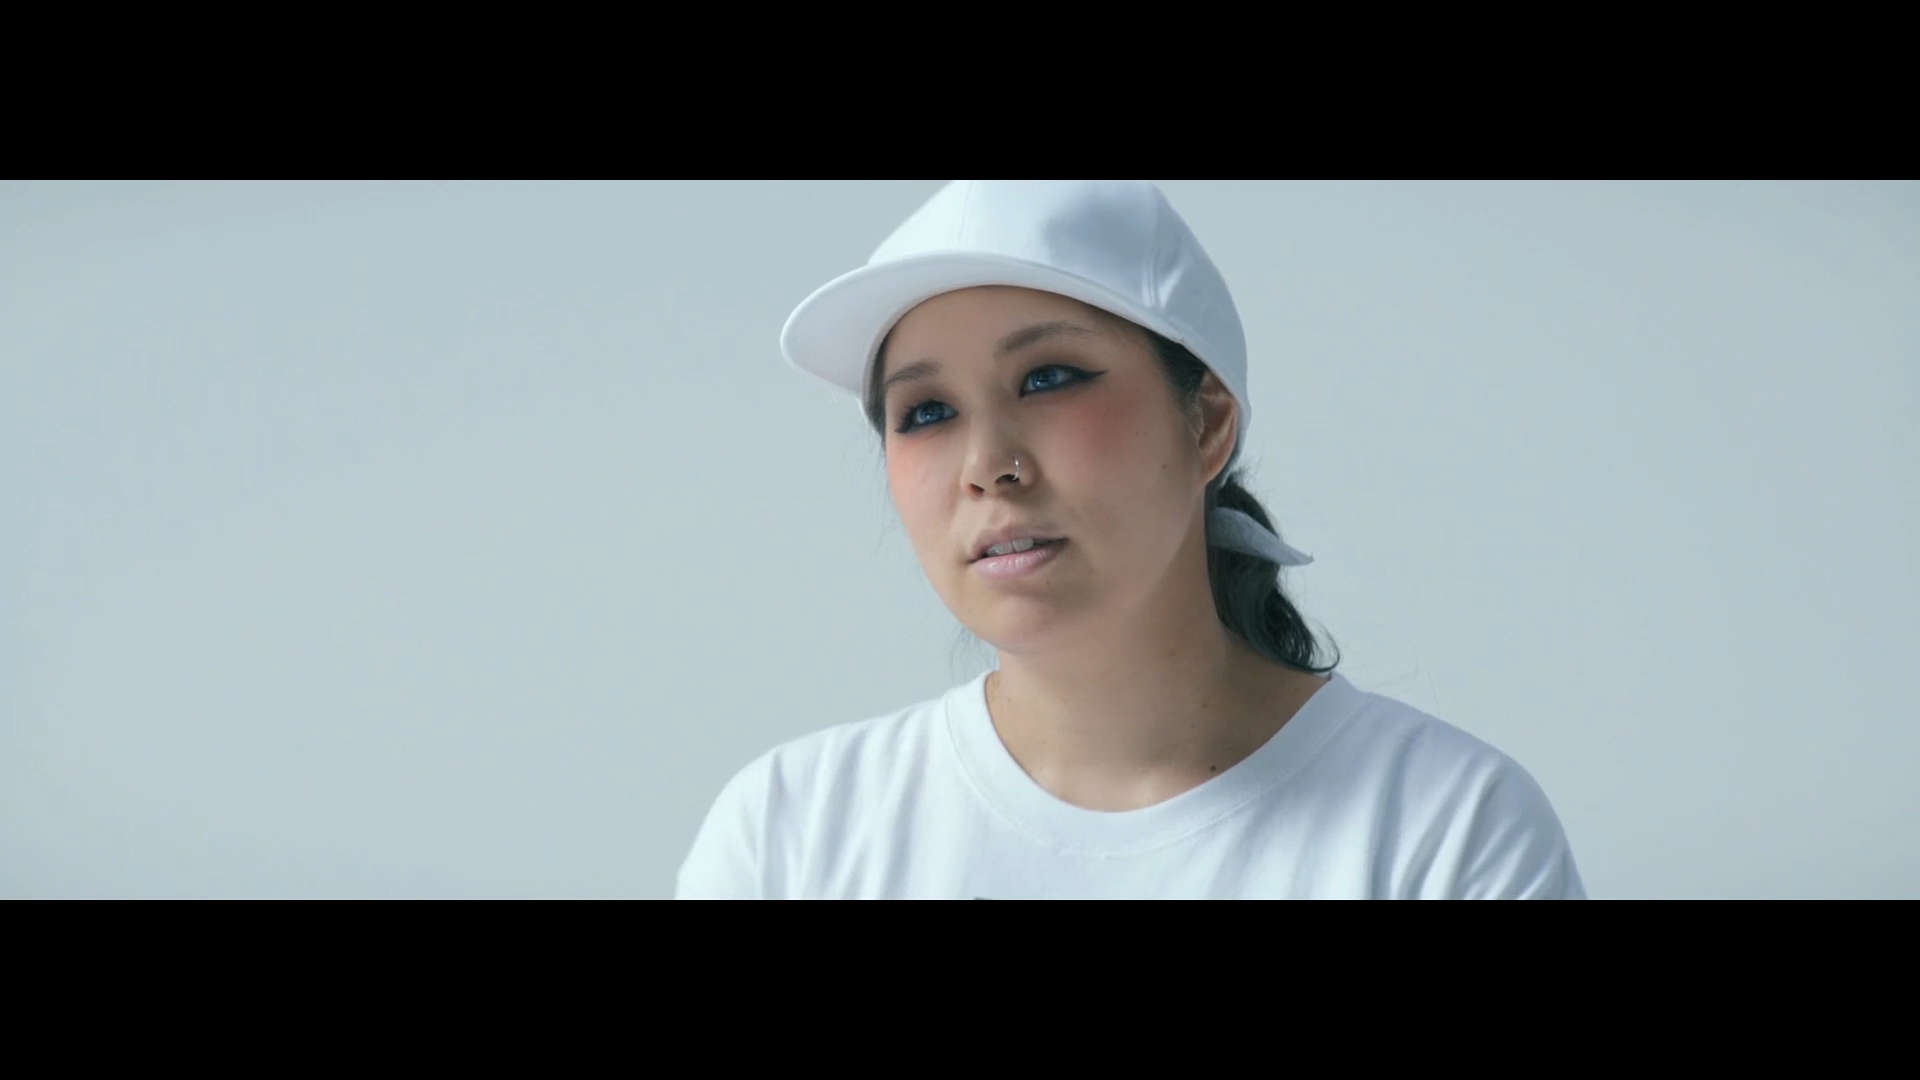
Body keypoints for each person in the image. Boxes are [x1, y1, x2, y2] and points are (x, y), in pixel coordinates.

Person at [676, 180, 1584, 899]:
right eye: (927, 411)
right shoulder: (789, 833)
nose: (987, 465)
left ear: (1207, 422)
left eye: (1049, 377)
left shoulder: (1447, 829)